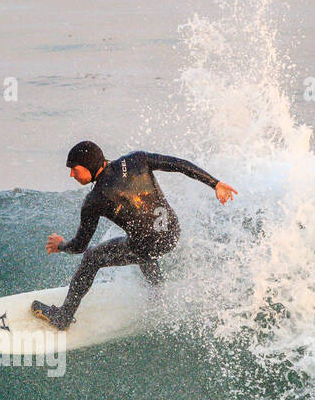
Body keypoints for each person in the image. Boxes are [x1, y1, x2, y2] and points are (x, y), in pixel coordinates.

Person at [32, 141, 236, 330]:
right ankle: (158, 290)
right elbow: (178, 165)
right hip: (172, 232)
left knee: (92, 258)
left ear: (89, 166)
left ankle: (64, 317)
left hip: (148, 246)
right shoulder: (136, 160)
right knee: (140, 241)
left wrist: (60, 245)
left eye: (74, 170)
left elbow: (79, 247)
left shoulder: (94, 201)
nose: (71, 175)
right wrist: (215, 183)